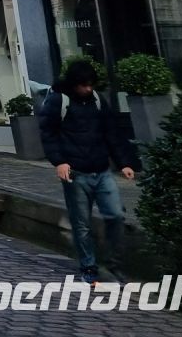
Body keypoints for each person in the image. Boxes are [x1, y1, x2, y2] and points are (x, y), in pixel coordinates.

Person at [39, 61, 136, 283]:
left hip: (101, 169)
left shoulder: (98, 101)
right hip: (76, 172)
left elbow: (111, 132)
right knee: (81, 223)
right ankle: (88, 267)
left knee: (116, 216)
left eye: (91, 85)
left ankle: (114, 265)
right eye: (84, 85)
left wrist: (124, 163)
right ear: (74, 84)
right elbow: (48, 133)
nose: (88, 89)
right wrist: (59, 162)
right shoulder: (59, 101)